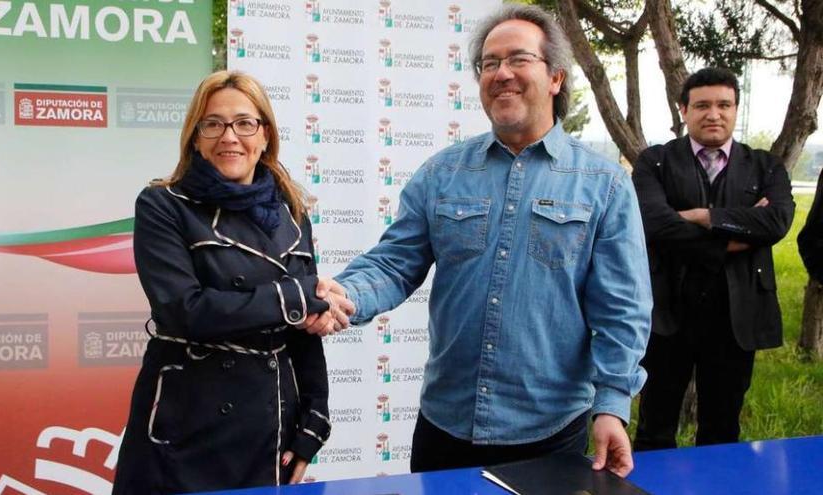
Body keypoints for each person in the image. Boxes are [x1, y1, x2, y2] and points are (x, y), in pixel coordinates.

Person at [309, 4, 652, 477]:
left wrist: (612, 404)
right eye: (489, 63)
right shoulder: (443, 173)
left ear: (555, 77)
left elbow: (622, 308)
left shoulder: (604, 184)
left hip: (551, 432)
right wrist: (345, 293)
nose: (501, 73)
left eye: (517, 59)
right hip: (445, 429)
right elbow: (394, 262)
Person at [113, 71, 353, 494]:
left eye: (244, 123)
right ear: (195, 137)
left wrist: (315, 417)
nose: (230, 137)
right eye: (213, 124)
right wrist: (293, 295)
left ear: (265, 136)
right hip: (185, 425)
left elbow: (303, 332)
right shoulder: (163, 204)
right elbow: (183, 311)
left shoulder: (293, 215)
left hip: (269, 425)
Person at [632, 67, 795, 451]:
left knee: (722, 430)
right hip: (666, 313)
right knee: (654, 428)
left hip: (736, 317)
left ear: (736, 110)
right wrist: (733, 239)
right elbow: (654, 224)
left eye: (724, 105)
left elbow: (776, 220)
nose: (714, 114)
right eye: (702, 105)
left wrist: (704, 216)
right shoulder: (654, 162)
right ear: (684, 110)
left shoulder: (765, 165)